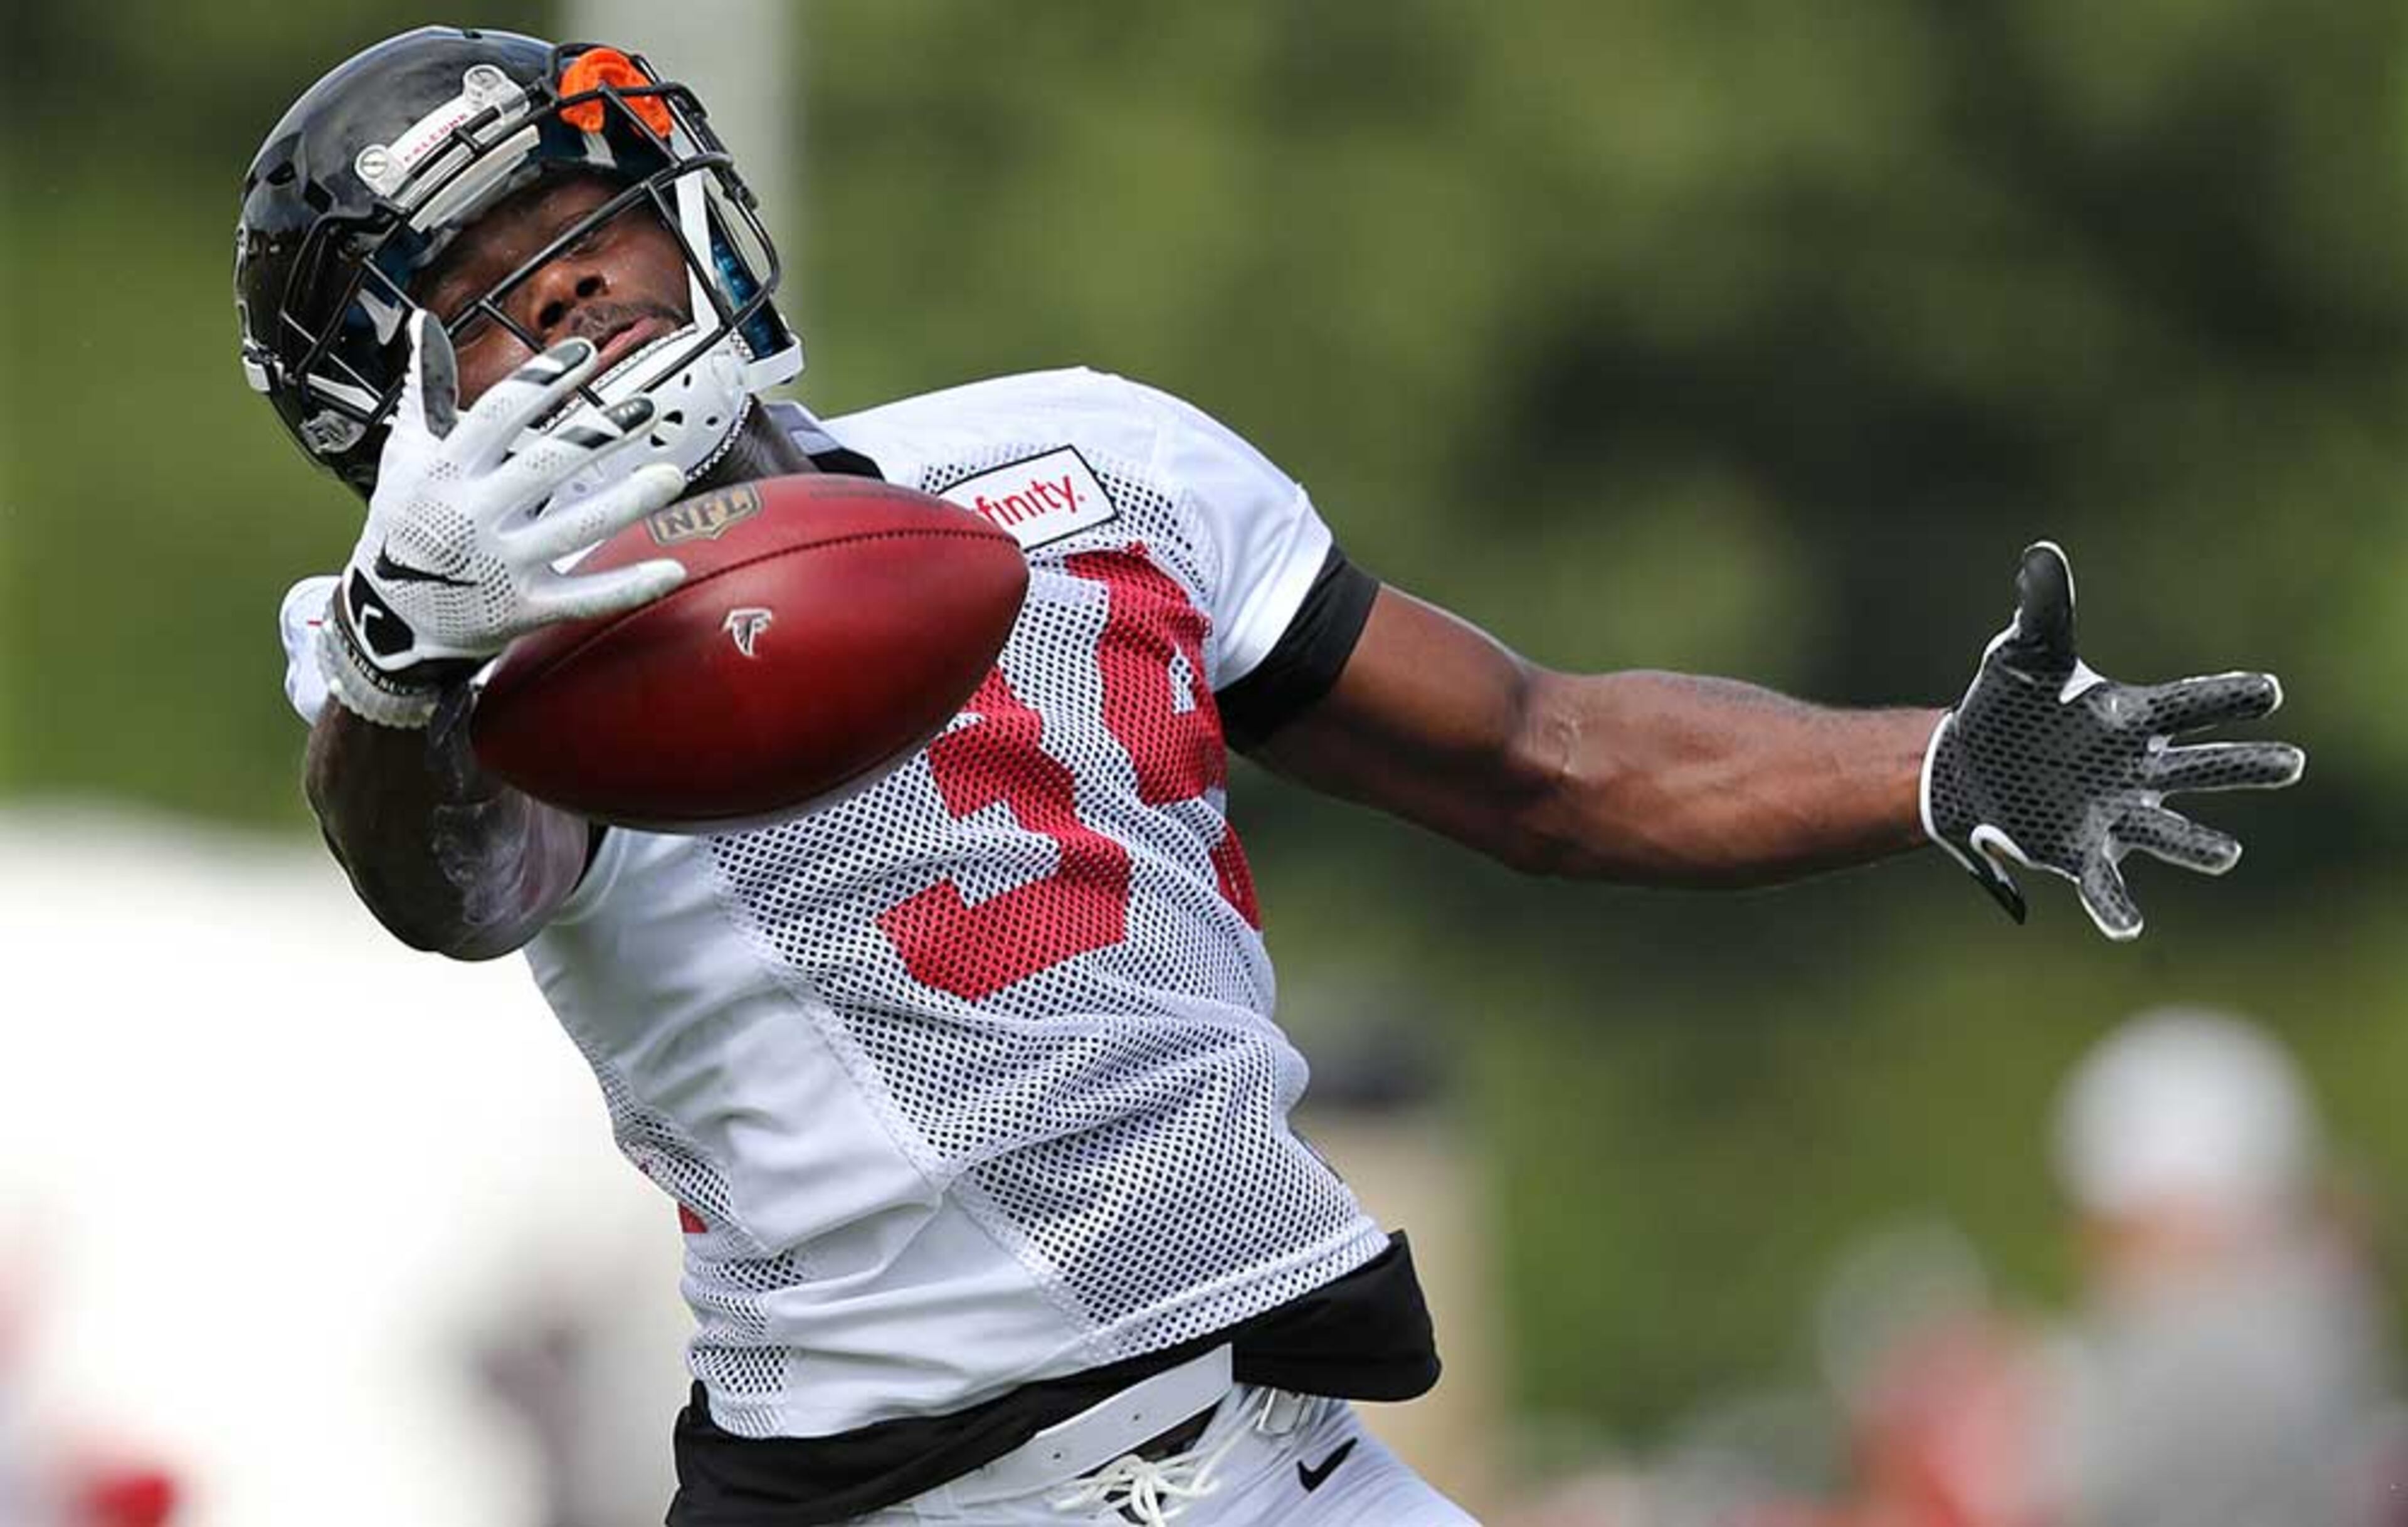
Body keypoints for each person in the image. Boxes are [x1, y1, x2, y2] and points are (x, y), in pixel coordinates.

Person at [238, 27, 2306, 1527]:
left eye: (589, 220)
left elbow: (1544, 756)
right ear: (387, 403)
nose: (577, 283)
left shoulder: (1083, 453)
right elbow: (452, 884)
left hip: (1273, 1459)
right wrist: (421, 651)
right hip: (898, 1494)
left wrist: (1934, 762)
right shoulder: (429, 663)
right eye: (488, 288)